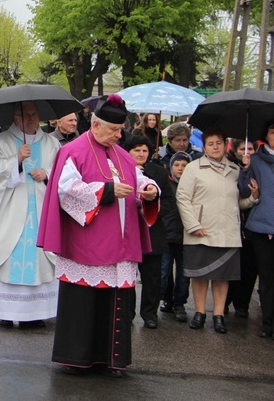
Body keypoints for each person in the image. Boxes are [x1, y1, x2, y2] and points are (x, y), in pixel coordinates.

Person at [37, 94, 158, 378]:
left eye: (120, 130)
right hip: (87, 241)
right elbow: (65, 189)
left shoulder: (121, 154)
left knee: (115, 301)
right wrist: (105, 191)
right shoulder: (74, 151)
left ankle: (109, 359)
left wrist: (150, 189)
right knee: (84, 301)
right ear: (95, 126)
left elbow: (136, 177)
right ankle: (78, 358)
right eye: (114, 130)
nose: (120, 135)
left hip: (121, 240)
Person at [0, 101, 60, 327]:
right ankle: (8, 312)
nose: (31, 119)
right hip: (11, 212)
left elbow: (66, 174)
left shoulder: (52, 143)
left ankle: (34, 315)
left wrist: (48, 173)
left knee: (41, 259)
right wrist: (16, 161)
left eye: (35, 115)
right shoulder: (0, 142)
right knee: (10, 255)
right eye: (26, 115)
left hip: (42, 211)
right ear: (16, 118)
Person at [176, 128, 257, 334]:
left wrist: (252, 198)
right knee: (200, 275)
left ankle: (219, 315)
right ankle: (200, 312)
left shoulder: (235, 170)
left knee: (223, 277)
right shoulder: (194, 168)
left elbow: (239, 202)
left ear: (225, 145)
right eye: (211, 143)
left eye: (219, 143)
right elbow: (183, 198)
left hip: (227, 231)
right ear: (204, 147)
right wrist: (193, 225)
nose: (215, 147)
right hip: (201, 230)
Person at [239, 120, 274, 340]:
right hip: (261, 228)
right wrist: (245, 168)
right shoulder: (255, 160)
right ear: (265, 136)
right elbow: (242, 189)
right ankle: (266, 323)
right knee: (266, 279)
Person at [123, 134, 174, 329]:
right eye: (136, 150)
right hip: (128, 230)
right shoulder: (121, 171)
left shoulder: (159, 173)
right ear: (128, 152)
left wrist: (152, 210)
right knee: (128, 275)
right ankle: (126, 313)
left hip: (153, 230)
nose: (141, 153)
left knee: (152, 277)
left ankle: (150, 313)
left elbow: (169, 200)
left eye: (145, 150)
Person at [225, 138, 258, 318]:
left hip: (253, 227)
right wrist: (244, 170)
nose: (247, 152)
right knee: (231, 267)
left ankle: (242, 304)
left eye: (251, 148)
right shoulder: (231, 168)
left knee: (249, 268)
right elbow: (242, 192)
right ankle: (225, 301)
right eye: (243, 149)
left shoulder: (259, 167)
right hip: (234, 223)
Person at [159, 151, 192, 322]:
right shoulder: (167, 184)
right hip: (167, 234)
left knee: (184, 272)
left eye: (184, 165)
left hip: (187, 235)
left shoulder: (192, 185)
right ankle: (166, 298)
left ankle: (180, 302)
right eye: (177, 165)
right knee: (164, 271)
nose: (180, 169)